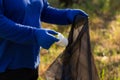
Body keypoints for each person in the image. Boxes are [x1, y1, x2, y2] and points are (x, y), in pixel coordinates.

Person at [0, 0, 88, 80]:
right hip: (6, 66)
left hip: (30, 63)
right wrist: (34, 35)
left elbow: (43, 10)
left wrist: (66, 15)